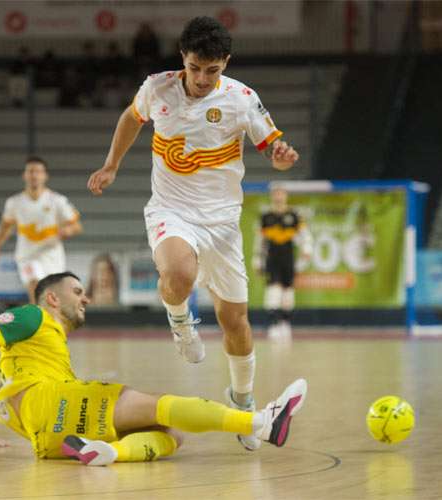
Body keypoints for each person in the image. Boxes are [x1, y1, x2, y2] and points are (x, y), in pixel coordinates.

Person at [86, 16, 300, 450]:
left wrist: (281, 157)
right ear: (183, 59)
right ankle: (181, 323)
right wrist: (111, 164)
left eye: (212, 70)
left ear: (225, 64)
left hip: (222, 221)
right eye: (195, 67)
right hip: (171, 209)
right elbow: (131, 118)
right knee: (178, 276)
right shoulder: (157, 88)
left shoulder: (242, 99)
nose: (202, 79)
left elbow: (273, 151)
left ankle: (242, 403)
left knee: (235, 321)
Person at [0, 272, 307, 465]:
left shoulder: (35, 353)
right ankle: (259, 423)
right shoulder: (32, 316)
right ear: (52, 298)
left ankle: (109, 452)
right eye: (77, 292)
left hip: (47, 438)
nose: (85, 299)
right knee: (162, 405)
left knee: (170, 434)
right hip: (55, 401)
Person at [0, 156, 82, 303]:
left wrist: (68, 231)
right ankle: (39, 325)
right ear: (24, 175)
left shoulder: (57, 200)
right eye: (30, 171)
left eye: (38, 171)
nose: (34, 175)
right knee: (35, 287)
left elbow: (77, 226)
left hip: (52, 255)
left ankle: (51, 324)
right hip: (27, 256)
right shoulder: (14, 203)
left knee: (52, 297)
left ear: (45, 176)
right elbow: (5, 228)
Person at [253, 186, 312, 340]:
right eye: (276, 194)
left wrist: (306, 249)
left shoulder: (294, 216)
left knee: (288, 293)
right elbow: (260, 241)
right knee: (273, 291)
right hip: (272, 258)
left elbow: (305, 235)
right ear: (272, 197)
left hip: (289, 258)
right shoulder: (266, 217)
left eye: (281, 194)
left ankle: (285, 323)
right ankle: (274, 324)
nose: (279, 197)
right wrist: (257, 260)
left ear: (286, 196)